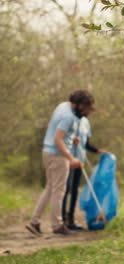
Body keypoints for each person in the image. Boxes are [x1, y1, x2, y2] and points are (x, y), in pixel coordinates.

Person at [26, 90, 96, 235]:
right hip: (58, 156)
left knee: (50, 188)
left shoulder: (63, 106)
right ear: (79, 104)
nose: (87, 111)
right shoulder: (68, 117)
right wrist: (71, 158)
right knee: (59, 191)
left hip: (47, 152)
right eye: (86, 107)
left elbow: (60, 133)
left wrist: (71, 138)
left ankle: (34, 221)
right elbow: (58, 139)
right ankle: (57, 225)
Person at [62, 116, 107, 230]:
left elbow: (86, 144)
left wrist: (97, 150)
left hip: (79, 160)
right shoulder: (69, 118)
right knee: (65, 189)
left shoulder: (86, 122)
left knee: (74, 190)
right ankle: (62, 220)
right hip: (67, 159)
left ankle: (70, 220)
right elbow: (61, 139)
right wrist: (71, 140)